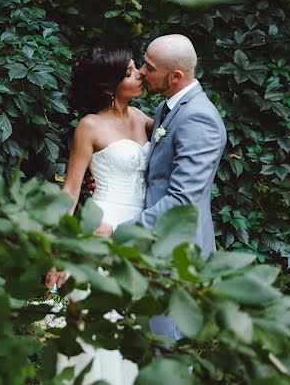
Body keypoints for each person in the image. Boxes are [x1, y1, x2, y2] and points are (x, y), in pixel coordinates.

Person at [96, 34, 227, 341]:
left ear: (175, 76)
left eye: (149, 67)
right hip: (155, 244)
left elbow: (181, 201)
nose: (141, 71)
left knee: (165, 344)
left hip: (176, 250)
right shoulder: (164, 110)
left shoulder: (199, 120)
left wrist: (118, 232)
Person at [45, 47, 153, 384]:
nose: (139, 76)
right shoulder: (89, 126)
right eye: (130, 72)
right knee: (103, 317)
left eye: (137, 69)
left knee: (138, 319)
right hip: (102, 226)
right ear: (109, 87)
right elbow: (72, 190)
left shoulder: (147, 120)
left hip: (142, 228)